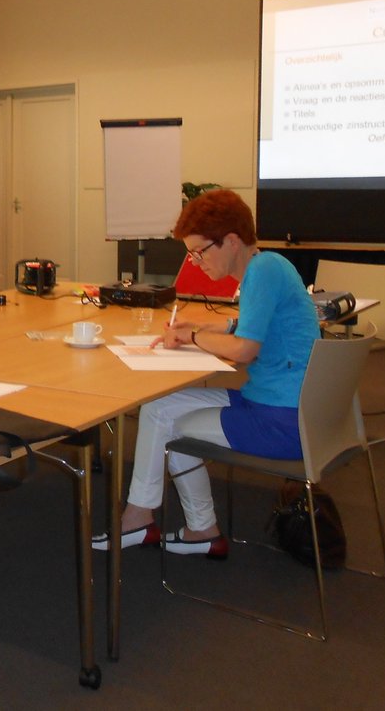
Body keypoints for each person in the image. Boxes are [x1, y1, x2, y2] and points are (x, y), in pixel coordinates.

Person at [93, 189, 319, 558]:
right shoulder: (270, 266)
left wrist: (196, 336)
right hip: (293, 408)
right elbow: (258, 326)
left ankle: (148, 520)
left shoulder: (262, 271)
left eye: (199, 252)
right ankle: (194, 529)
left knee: (168, 423)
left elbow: (247, 349)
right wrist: (207, 328)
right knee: (159, 406)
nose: (195, 262)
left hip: (283, 421)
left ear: (231, 241)